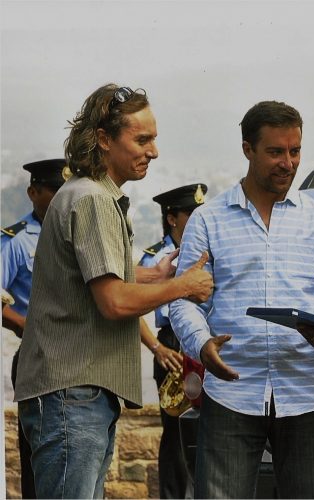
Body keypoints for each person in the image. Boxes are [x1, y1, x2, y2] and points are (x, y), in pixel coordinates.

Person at [13, 83, 214, 499]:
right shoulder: (93, 200)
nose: (153, 151)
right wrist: (181, 286)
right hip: (73, 395)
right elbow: (114, 301)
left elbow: (91, 276)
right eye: (142, 140)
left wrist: (156, 275)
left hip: (75, 394)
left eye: (153, 139)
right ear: (104, 139)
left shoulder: (86, 193)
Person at [169, 100, 314, 499]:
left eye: (295, 151)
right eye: (275, 152)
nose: (288, 163)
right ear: (247, 149)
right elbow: (185, 300)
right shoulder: (208, 220)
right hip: (231, 391)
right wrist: (201, 344)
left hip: (307, 391)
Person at [1, 158, 69, 499]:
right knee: (37, 453)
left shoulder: (76, 233)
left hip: (77, 357)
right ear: (33, 192)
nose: (60, 199)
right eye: (54, 191)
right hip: (36, 356)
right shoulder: (16, 241)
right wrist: (22, 324)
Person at [139, 182, 209, 499]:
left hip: (205, 341)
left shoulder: (210, 251)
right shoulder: (155, 260)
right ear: (172, 218)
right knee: (176, 434)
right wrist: (157, 348)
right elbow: (131, 308)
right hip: (173, 345)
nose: (198, 218)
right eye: (190, 213)